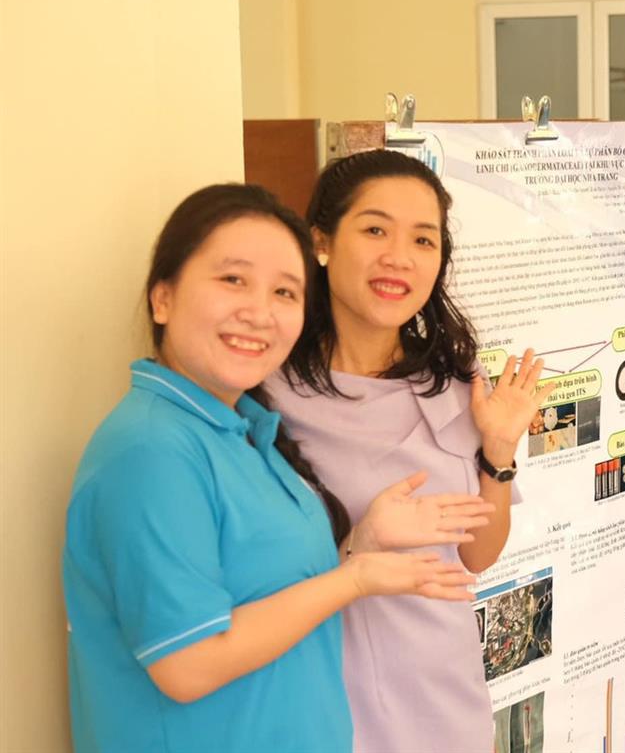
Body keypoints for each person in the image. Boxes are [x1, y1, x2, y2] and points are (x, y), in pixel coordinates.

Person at [62, 185, 477, 753]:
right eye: (233, 279)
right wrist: (354, 579)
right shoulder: (151, 452)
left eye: (284, 291)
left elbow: (270, 593)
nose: (259, 313)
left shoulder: (243, 432)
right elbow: (187, 665)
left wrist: (361, 545)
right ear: (163, 298)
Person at [267, 150, 554, 753]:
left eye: (423, 240)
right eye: (375, 230)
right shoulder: (268, 394)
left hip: (443, 698)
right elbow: (252, 585)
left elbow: (475, 554)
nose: (400, 257)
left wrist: (499, 452)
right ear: (321, 242)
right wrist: (359, 545)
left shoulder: (454, 381)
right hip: (326, 701)